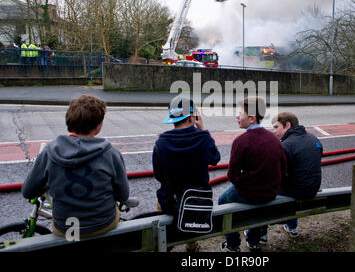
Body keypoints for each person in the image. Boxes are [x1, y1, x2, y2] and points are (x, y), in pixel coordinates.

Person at [22, 95, 130, 238]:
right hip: (102, 224)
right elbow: (123, 195)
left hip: (65, 228)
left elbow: (28, 191)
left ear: (70, 121)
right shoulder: (110, 153)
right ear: (98, 127)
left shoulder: (49, 151)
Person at [152, 96, 221, 252]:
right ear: (192, 117)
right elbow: (215, 159)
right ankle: (192, 244)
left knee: (161, 200)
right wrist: (203, 128)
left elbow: (158, 175)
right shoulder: (203, 138)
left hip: (170, 202)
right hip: (197, 202)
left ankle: (165, 242)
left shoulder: (161, 143)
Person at [219, 96, 287, 252]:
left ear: (251, 118)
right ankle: (254, 241)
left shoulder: (241, 141)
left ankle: (233, 244)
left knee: (223, 200)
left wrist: (247, 182)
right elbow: (283, 168)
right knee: (258, 208)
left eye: (240, 113)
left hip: (251, 192)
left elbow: (232, 176)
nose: (237, 116)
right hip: (270, 193)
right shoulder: (275, 139)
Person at [266, 112, 322, 238]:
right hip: (313, 188)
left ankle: (260, 234)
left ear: (288, 125)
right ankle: (292, 227)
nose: (274, 132)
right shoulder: (314, 139)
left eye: (276, 127)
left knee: (263, 191)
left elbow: (277, 174)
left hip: (297, 191)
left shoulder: (285, 145)